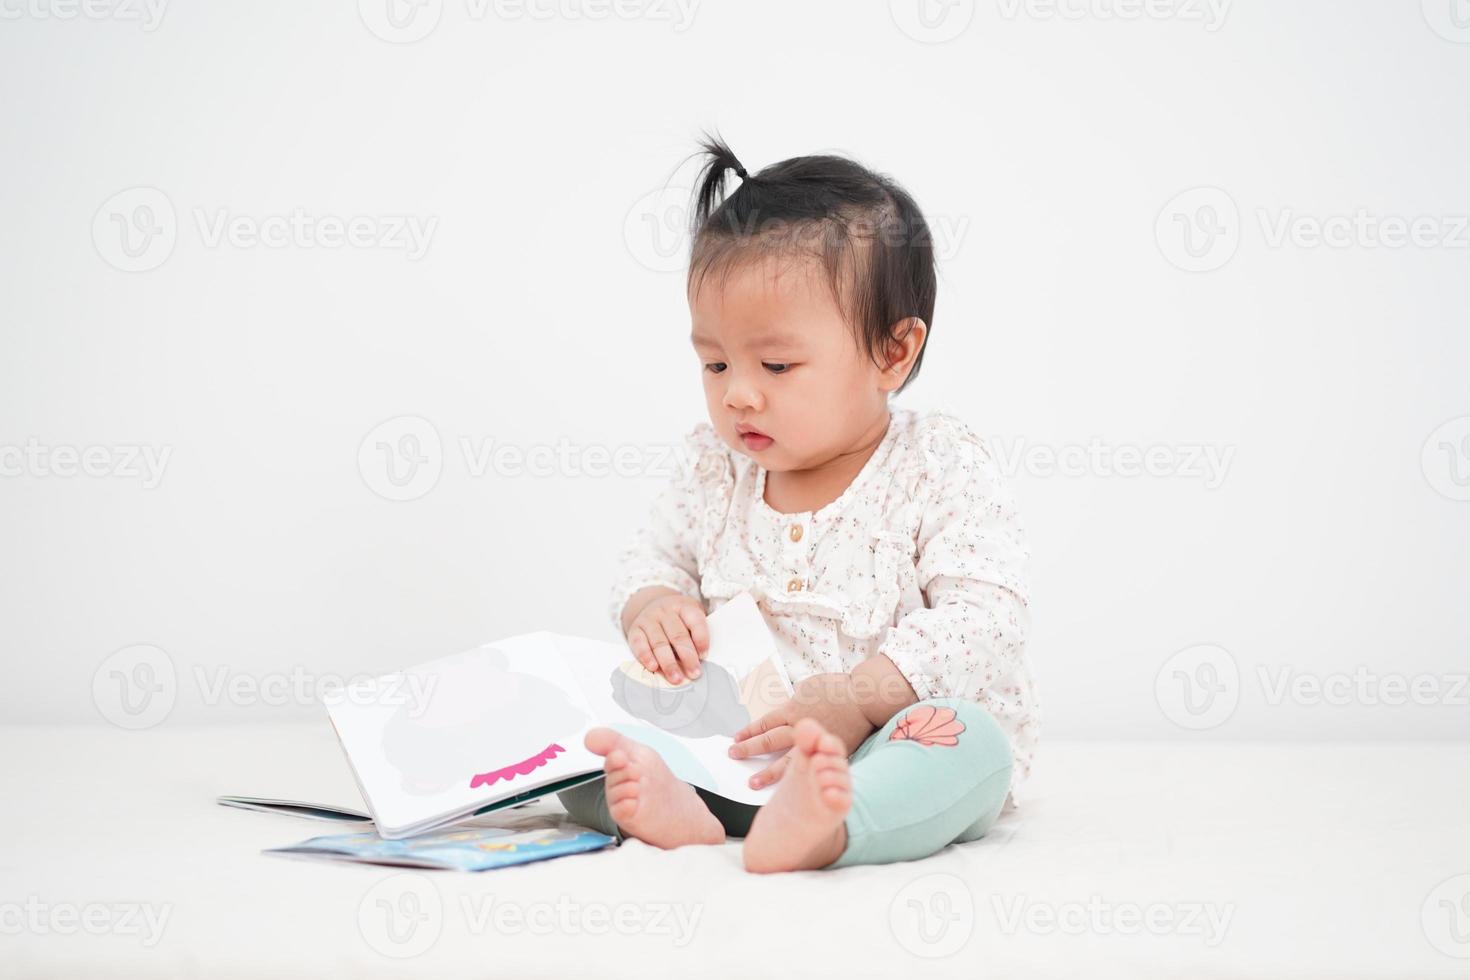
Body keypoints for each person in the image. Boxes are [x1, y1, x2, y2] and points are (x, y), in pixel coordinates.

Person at [559, 135, 1039, 872]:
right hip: (729, 744)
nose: (737, 392)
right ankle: (673, 808)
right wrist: (653, 605)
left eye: (776, 364)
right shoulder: (714, 467)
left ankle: (836, 820)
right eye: (714, 362)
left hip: (874, 745)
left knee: (964, 742)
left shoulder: (935, 465)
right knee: (582, 744)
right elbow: (648, 559)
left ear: (892, 352)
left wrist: (857, 700)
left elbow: (986, 619)